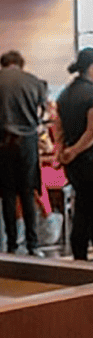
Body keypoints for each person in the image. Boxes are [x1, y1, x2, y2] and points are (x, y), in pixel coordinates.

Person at [0, 50, 47, 255]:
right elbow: (42, 115)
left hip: (2, 142)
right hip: (27, 143)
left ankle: (12, 244)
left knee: (7, 194)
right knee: (27, 193)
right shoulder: (34, 81)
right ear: (20, 64)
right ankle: (33, 244)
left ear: (3, 64)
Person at [55, 47, 93, 260]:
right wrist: (76, 150)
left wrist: (63, 151)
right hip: (89, 158)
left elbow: (58, 128)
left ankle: (79, 255)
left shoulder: (64, 94)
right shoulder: (91, 93)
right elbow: (92, 132)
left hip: (74, 164)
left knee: (82, 206)